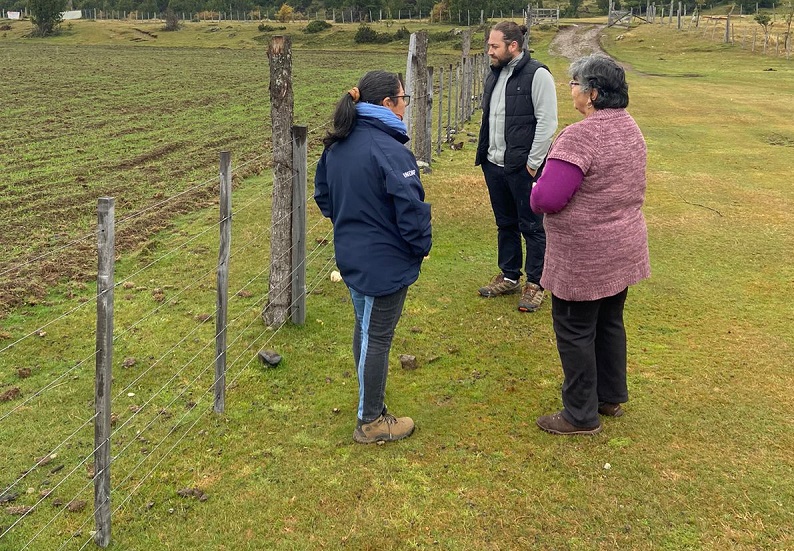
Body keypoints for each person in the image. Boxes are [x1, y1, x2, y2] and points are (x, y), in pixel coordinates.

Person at [531, 54, 650, 435]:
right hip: (622, 246)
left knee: (575, 329)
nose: (571, 90)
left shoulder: (581, 135)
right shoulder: (630, 127)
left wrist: (535, 188)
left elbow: (548, 199)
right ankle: (610, 396)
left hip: (585, 256)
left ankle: (580, 415)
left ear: (593, 93)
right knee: (609, 321)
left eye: (574, 83)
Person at [314, 71, 432, 445]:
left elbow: (324, 196)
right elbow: (412, 210)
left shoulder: (338, 144)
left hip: (352, 255)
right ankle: (370, 420)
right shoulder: (390, 150)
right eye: (404, 98)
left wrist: (352, 223)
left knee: (364, 328)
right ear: (387, 104)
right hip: (385, 262)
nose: (404, 105)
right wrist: (419, 248)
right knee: (378, 335)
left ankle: (371, 398)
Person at [475, 21, 558, 313]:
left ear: (513, 46)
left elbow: (548, 122)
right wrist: (486, 157)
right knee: (505, 223)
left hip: (523, 168)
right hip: (494, 165)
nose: (489, 52)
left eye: (494, 46)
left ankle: (536, 284)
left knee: (532, 227)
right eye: (489, 46)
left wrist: (533, 165)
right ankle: (510, 275)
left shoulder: (538, 75)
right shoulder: (494, 75)